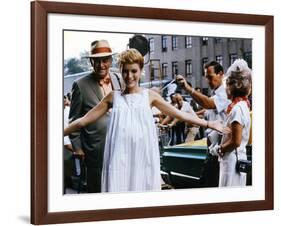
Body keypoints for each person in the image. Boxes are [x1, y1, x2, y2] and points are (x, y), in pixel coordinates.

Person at [64, 49, 230, 193]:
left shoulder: (149, 96)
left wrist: (209, 124)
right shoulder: (112, 97)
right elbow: (83, 121)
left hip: (143, 157)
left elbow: (181, 115)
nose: (129, 76)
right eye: (125, 71)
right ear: (120, 71)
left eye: (134, 71)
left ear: (141, 70)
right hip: (118, 158)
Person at [68, 40, 122, 193]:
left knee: (118, 188)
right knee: (97, 190)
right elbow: (74, 119)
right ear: (91, 61)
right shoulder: (80, 85)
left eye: (105, 60)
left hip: (120, 146)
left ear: (111, 60)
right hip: (94, 151)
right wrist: (77, 148)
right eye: (96, 61)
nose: (101, 65)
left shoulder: (119, 79)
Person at [176, 61, 231, 187]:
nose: (208, 81)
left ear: (220, 74)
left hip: (219, 151)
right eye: (206, 77)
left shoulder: (225, 94)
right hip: (212, 150)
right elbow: (205, 113)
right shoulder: (216, 94)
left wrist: (188, 89)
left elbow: (208, 104)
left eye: (210, 77)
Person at [209, 59, 252, 187]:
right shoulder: (243, 106)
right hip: (237, 159)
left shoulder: (237, 109)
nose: (225, 89)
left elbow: (236, 141)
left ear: (233, 87)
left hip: (232, 161)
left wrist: (219, 149)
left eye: (226, 84)